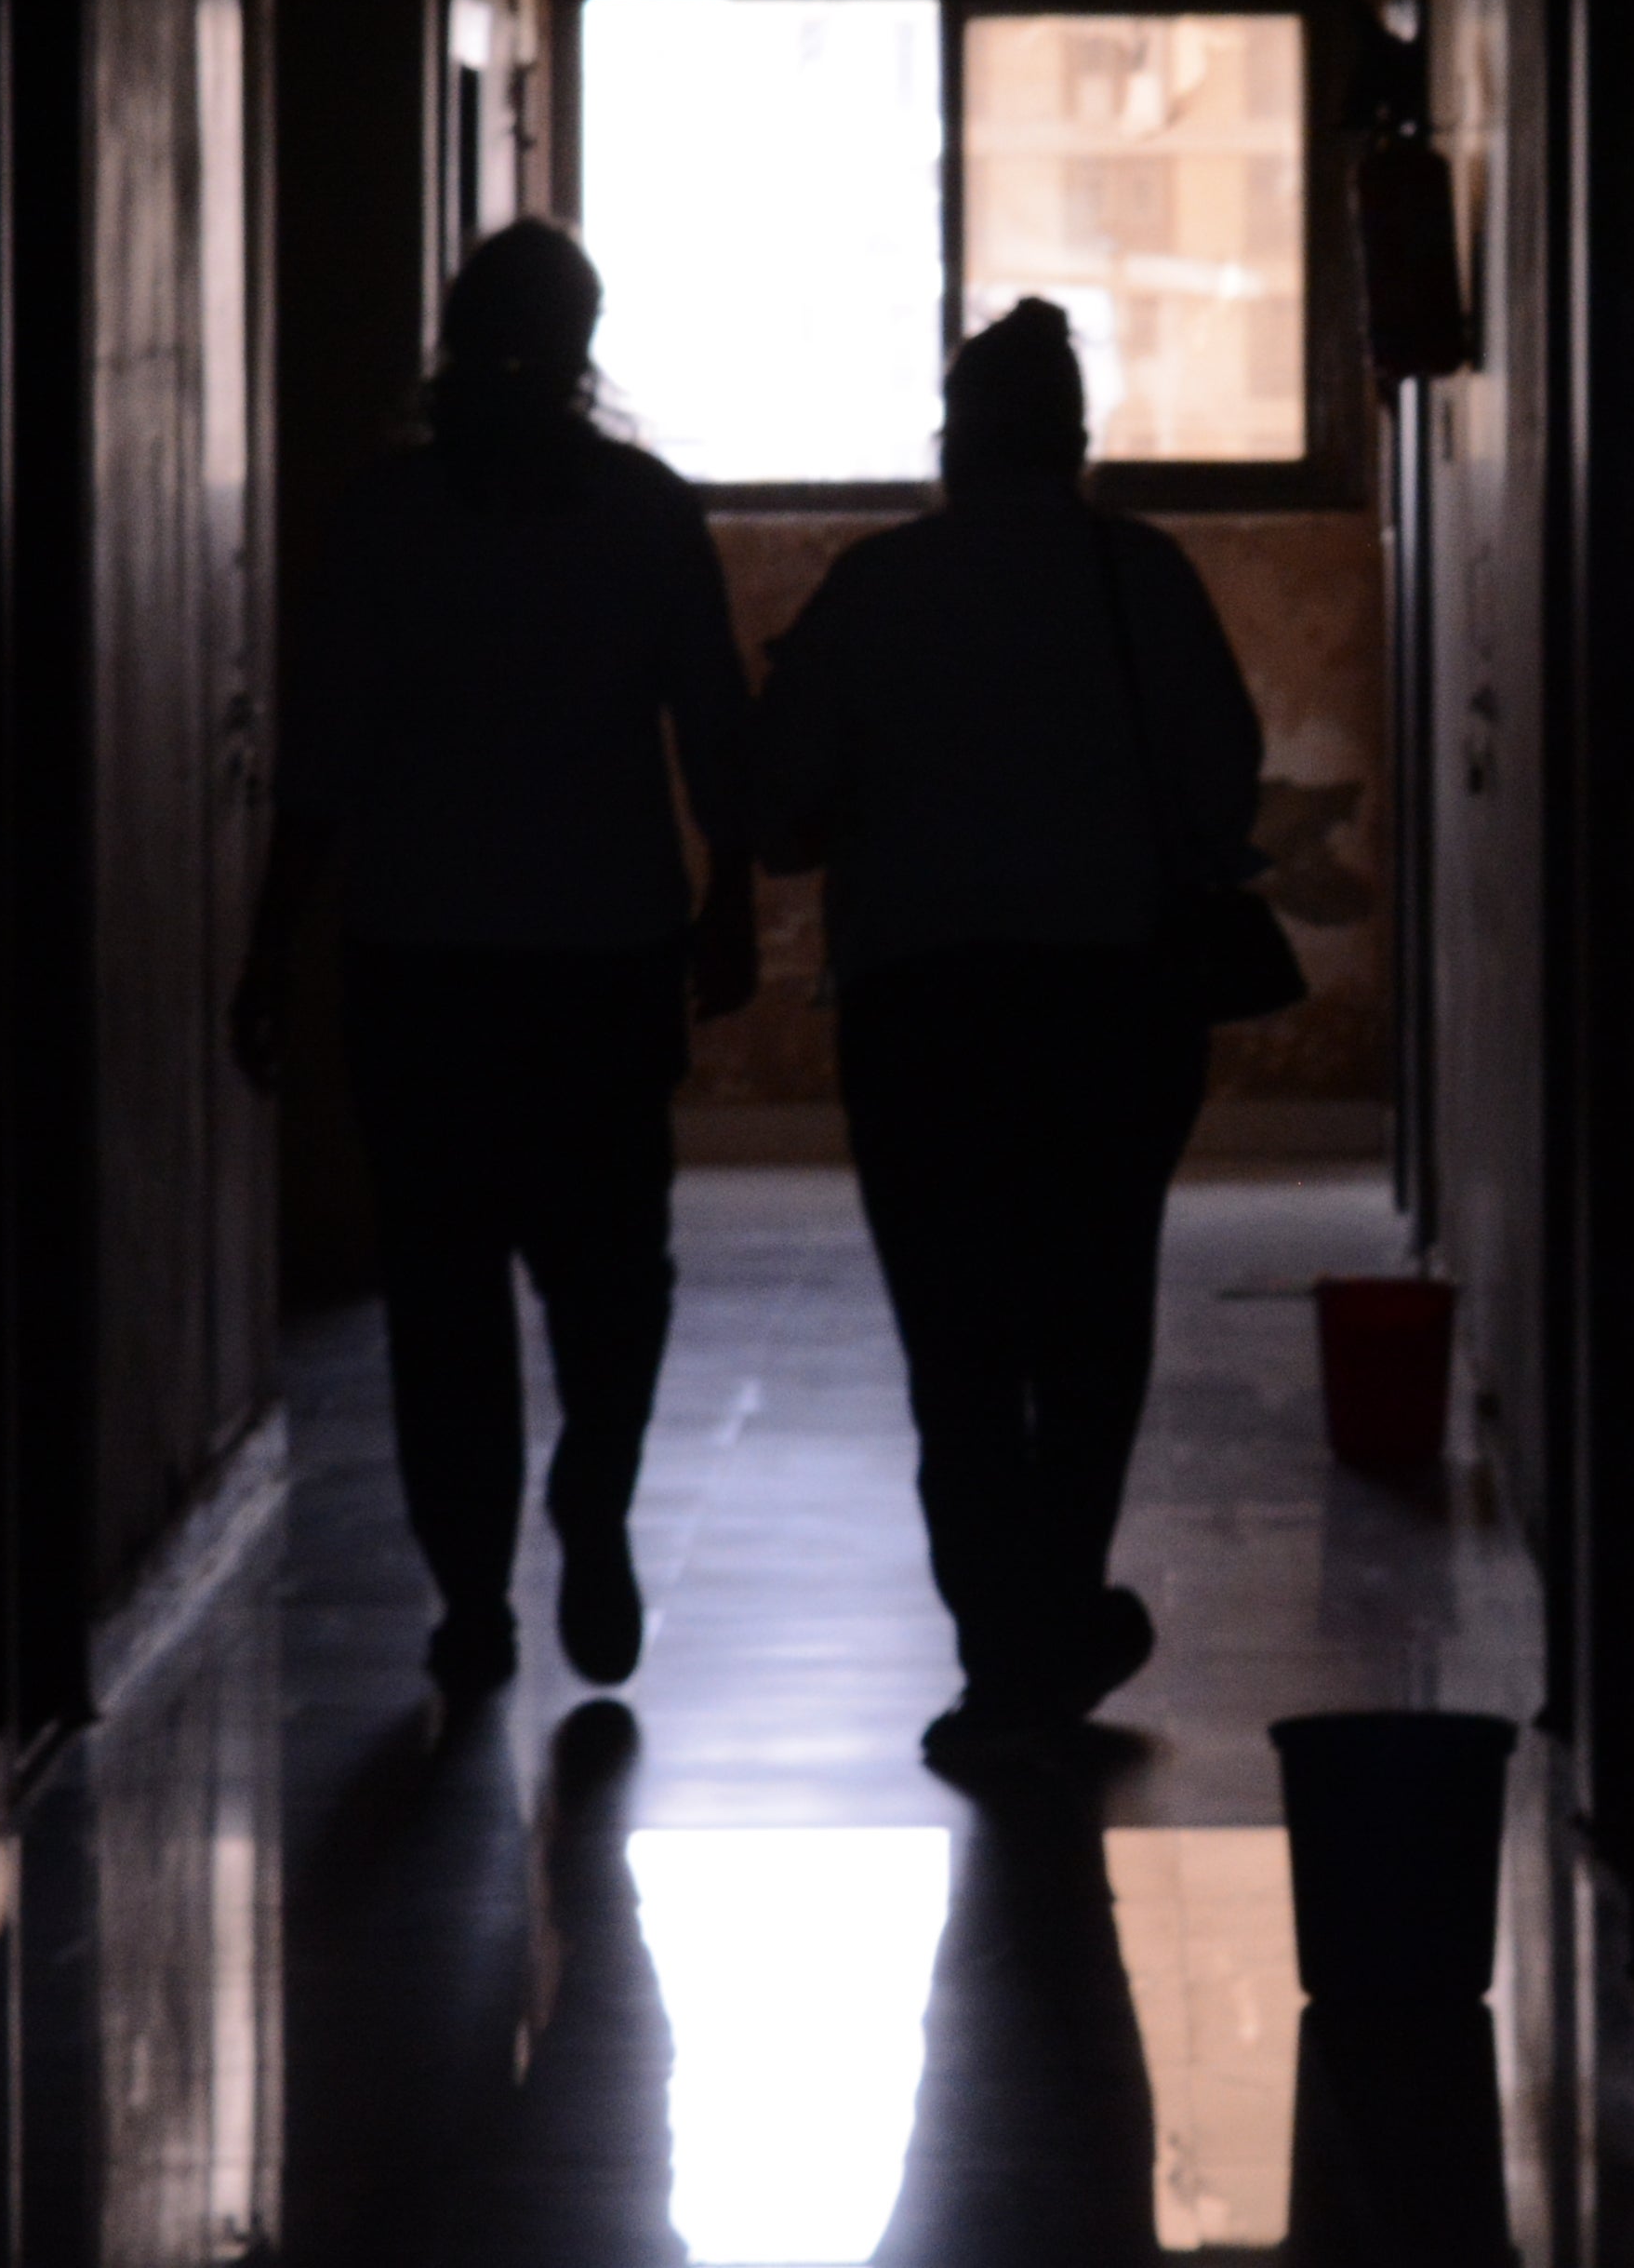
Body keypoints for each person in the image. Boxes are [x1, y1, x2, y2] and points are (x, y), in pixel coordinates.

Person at [236, 220, 760, 1691]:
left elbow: (321, 765)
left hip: (424, 964)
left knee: (444, 1293)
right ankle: (590, 1503)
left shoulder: (387, 520)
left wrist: (271, 952)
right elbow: (712, 736)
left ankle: (473, 1593)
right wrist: (727, 904)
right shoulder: (646, 515)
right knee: (612, 1276)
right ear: (585, 345)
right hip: (598, 957)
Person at [753, 298, 1264, 1755]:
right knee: (1093, 1326)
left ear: (954, 440)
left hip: (925, 1015)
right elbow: (1221, 793)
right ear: (1079, 440)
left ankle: (1006, 1655)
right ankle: (1056, 1612)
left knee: (960, 1347)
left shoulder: (874, 589)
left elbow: (780, 820)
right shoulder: (1142, 580)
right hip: (1118, 1004)